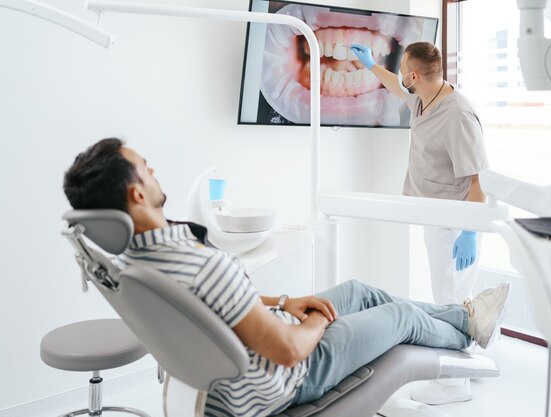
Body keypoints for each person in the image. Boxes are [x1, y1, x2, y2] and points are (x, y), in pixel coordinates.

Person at [63, 138, 509, 417]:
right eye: (146, 166)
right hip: (284, 378)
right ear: (137, 192)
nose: (155, 169)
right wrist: (317, 321)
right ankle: (468, 328)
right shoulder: (199, 265)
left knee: (358, 290)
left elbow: (215, 309)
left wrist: (283, 303)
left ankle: (464, 315)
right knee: (400, 317)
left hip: (232, 382)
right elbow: (289, 349)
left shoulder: (143, 261)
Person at [351, 41, 490, 404]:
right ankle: (472, 361)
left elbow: (478, 184)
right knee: (457, 298)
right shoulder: (423, 96)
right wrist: (370, 65)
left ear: (415, 74)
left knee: (450, 300)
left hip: (454, 220)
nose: (401, 78)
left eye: (404, 72)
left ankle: (454, 384)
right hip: (435, 215)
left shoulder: (458, 114)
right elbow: (398, 87)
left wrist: (470, 232)